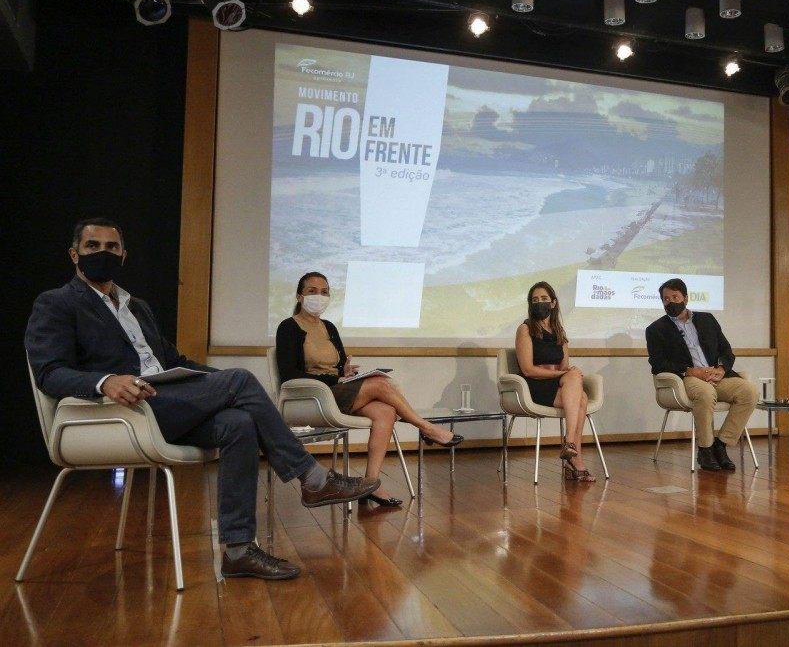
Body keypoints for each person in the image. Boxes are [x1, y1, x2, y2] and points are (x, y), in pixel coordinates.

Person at [25, 218, 380, 581]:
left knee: (238, 423)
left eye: (112, 247)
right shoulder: (57, 303)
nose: (103, 253)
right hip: (121, 411)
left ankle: (238, 550)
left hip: (164, 403)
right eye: (93, 247)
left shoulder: (137, 307)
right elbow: (49, 372)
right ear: (74, 254)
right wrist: (106, 381)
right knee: (240, 382)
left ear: (124, 255)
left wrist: (219, 381)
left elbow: (174, 362)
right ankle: (312, 478)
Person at [275, 271, 463, 505]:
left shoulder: (329, 327)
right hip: (311, 397)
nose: (319, 296)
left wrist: (345, 372)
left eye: (324, 292)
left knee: (386, 411)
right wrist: (334, 380)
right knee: (381, 384)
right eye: (312, 291)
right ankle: (426, 427)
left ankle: (370, 484)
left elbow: (339, 365)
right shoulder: (288, 327)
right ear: (299, 296)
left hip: (336, 392)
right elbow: (289, 374)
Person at [645, 278, 756, 472]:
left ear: (685, 298)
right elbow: (658, 363)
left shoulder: (707, 320)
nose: (670, 302)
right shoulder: (656, 330)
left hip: (716, 375)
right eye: (666, 299)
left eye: (675, 297)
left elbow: (726, 350)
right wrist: (689, 370)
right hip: (688, 379)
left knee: (749, 392)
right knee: (705, 393)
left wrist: (721, 369)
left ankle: (721, 445)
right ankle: (705, 449)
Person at [514, 281, 596, 482]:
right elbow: (527, 369)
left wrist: (565, 374)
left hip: (557, 385)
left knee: (580, 392)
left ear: (553, 303)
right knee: (580, 395)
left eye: (543, 299)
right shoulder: (525, 330)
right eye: (534, 300)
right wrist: (559, 375)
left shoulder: (560, 334)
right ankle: (572, 449)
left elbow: (564, 368)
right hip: (534, 386)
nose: (539, 303)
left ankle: (571, 452)